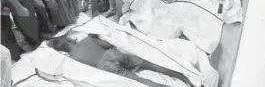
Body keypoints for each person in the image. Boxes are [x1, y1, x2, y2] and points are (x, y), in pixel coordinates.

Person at [49, 35, 194, 87]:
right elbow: (107, 44)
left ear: (63, 51)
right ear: (67, 39)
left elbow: (86, 73)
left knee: (139, 81)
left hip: (105, 66)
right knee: (148, 64)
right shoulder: (87, 39)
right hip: (111, 54)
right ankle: (181, 76)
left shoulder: (73, 58)